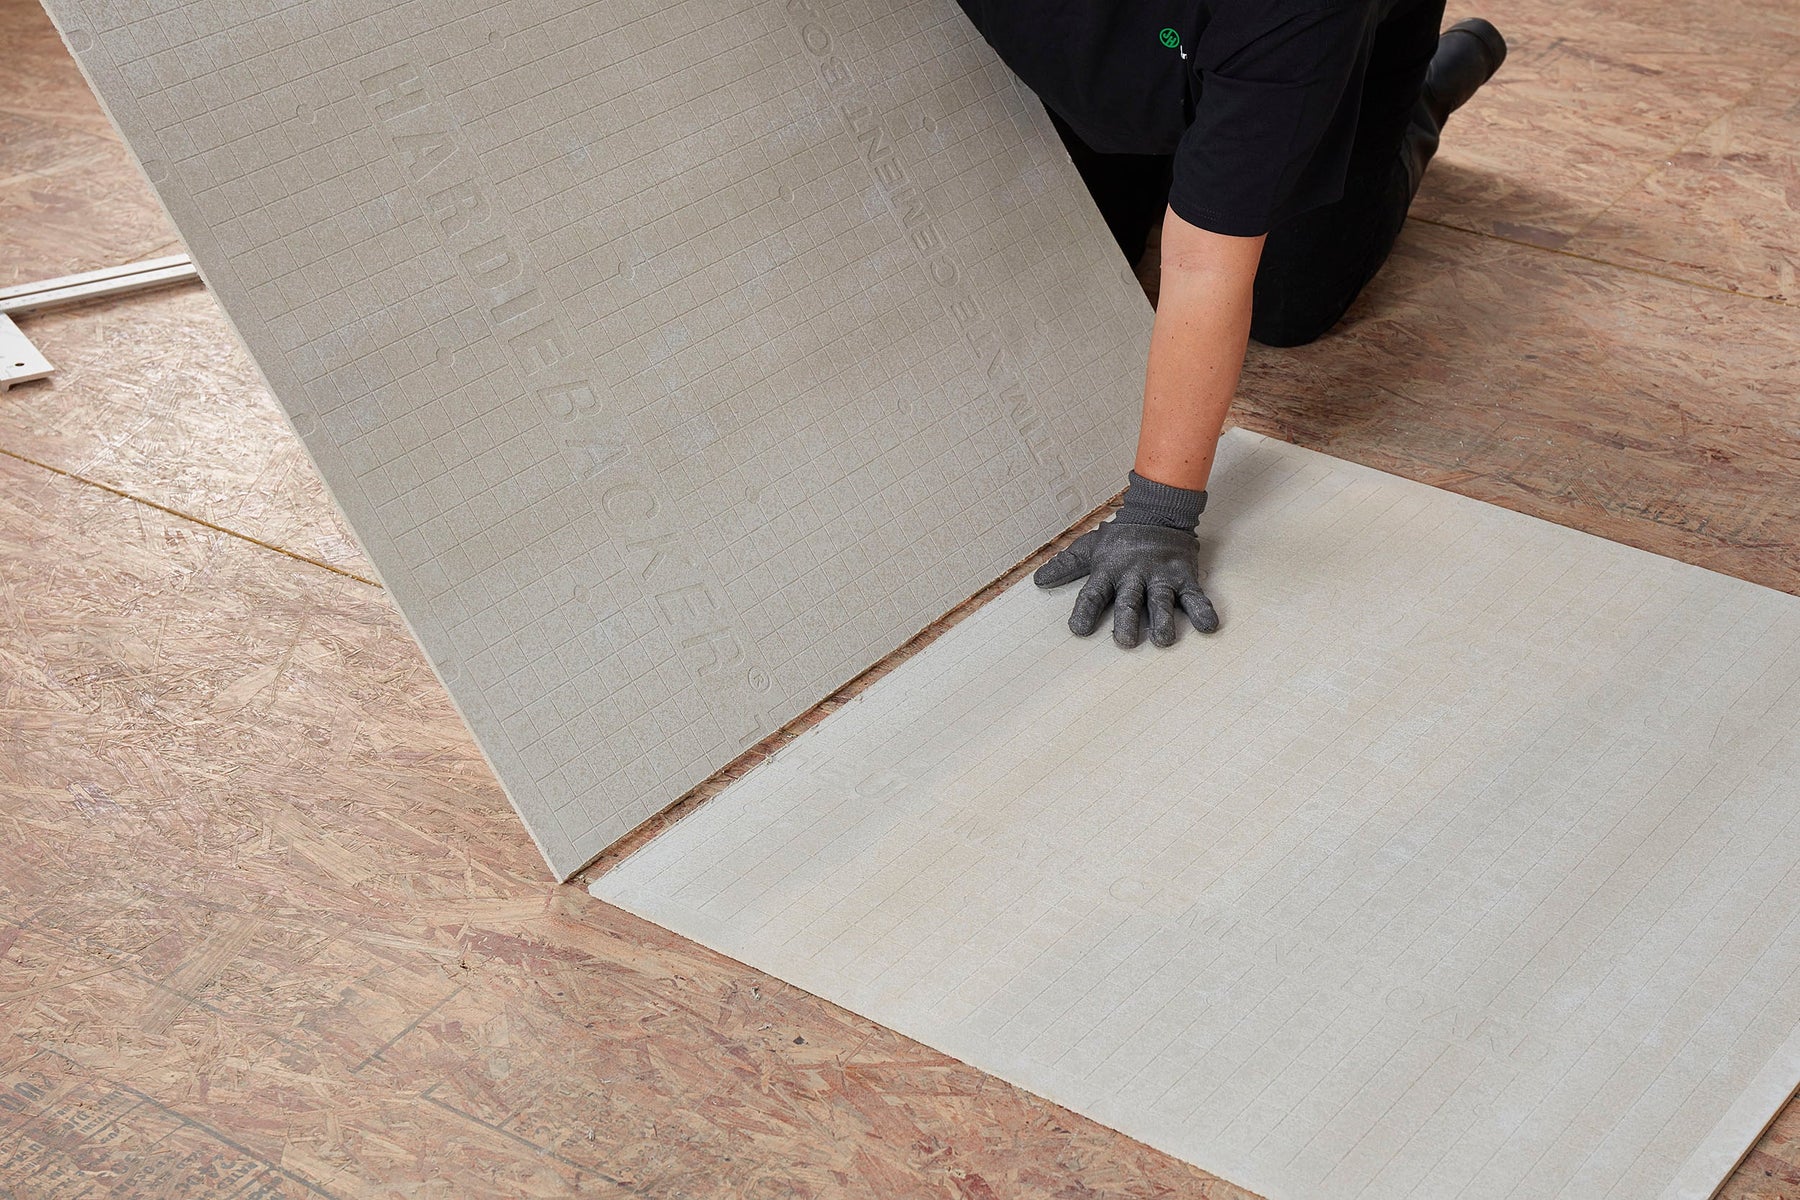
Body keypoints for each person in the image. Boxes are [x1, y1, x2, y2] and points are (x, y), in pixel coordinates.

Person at [955, 1, 1506, 647]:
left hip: (1315, 57)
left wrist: (1158, 515)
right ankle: (1204, 151)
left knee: (1286, 304)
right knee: (1085, 250)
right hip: (1157, 54)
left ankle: (1417, 102)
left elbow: (1203, 267)